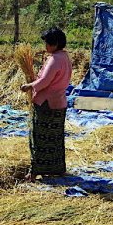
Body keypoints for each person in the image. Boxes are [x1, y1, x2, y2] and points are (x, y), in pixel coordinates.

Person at [21, 27, 72, 182]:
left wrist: (29, 86)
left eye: (48, 43)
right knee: (55, 139)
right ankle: (57, 169)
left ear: (55, 44)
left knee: (39, 137)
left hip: (46, 104)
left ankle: (35, 172)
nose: (46, 47)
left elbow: (44, 82)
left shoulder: (54, 59)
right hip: (60, 103)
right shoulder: (65, 57)